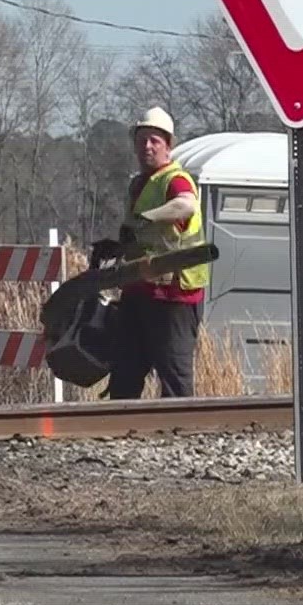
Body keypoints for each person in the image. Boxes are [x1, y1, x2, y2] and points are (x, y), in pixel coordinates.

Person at [93, 106, 209, 399]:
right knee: (126, 373)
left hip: (173, 295)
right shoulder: (139, 183)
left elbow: (186, 205)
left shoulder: (175, 179)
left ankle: (180, 431)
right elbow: (143, 236)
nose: (147, 146)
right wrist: (117, 247)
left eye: (154, 140)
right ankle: (122, 430)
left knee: (174, 376)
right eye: (142, 139)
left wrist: (148, 217)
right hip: (138, 291)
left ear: (168, 145)